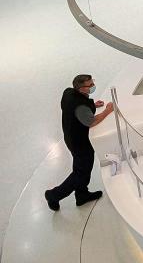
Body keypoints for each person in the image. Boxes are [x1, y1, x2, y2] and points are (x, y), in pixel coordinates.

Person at [45, 74, 115, 211]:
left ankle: (82, 195)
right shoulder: (81, 107)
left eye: (92, 82)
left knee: (83, 168)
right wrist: (107, 110)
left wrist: (92, 106)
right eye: (90, 85)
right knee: (80, 172)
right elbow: (91, 121)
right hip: (79, 142)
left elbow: (73, 108)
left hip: (70, 136)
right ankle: (53, 195)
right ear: (82, 88)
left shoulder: (68, 92)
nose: (92, 86)